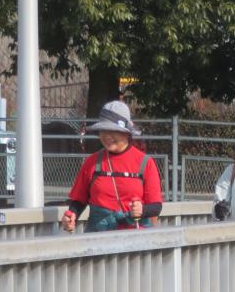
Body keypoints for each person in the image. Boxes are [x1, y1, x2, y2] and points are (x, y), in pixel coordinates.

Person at [61, 100, 163, 233]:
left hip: (134, 239)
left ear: (127, 133)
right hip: (98, 237)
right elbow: (79, 200)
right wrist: (71, 216)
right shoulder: (91, 162)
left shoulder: (145, 163)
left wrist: (141, 210)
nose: (107, 136)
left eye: (113, 130)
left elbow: (156, 206)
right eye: (103, 130)